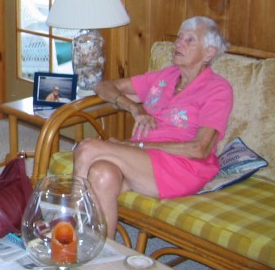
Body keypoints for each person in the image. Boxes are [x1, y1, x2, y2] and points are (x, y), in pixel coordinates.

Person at [74, 16, 233, 238]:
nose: (179, 44)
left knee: (88, 147)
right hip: (144, 161)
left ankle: (65, 223)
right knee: (102, 173)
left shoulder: (217, 89)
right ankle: (102, 257)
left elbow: (200, 148)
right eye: (179, 38)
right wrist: (133, 107)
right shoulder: (166, 76)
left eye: (190, 40)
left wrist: (138, 145)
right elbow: (103, 86)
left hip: (183, 166)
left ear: (209, 53)